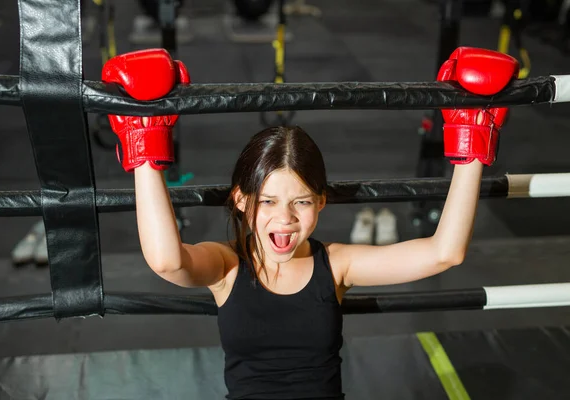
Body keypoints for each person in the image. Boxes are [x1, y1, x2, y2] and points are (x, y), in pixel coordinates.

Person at [102, 47, 519, 399]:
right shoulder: (227, 267)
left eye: (301, 202)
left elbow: (444, 253)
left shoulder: (336, 266)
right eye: (268, 201)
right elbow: (166, 262)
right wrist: (145, 152)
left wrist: (472, 146)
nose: (284, 219)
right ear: (241, 201)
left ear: (321, 202)